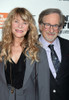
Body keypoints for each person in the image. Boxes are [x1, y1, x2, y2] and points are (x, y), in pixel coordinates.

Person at [0, 7, 50, 100]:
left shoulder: (38, 52)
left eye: (24, 23)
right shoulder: (1, 49)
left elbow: (44, 88)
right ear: (10, 24)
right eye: (16, 21)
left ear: (29, 27)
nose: (20, 26)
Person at [38, 8, 69, 100]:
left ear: (60, 27)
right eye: (47, 25)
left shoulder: (68, 46)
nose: (51, 30)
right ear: (40, 26)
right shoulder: (28, 47)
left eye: (55, 25)